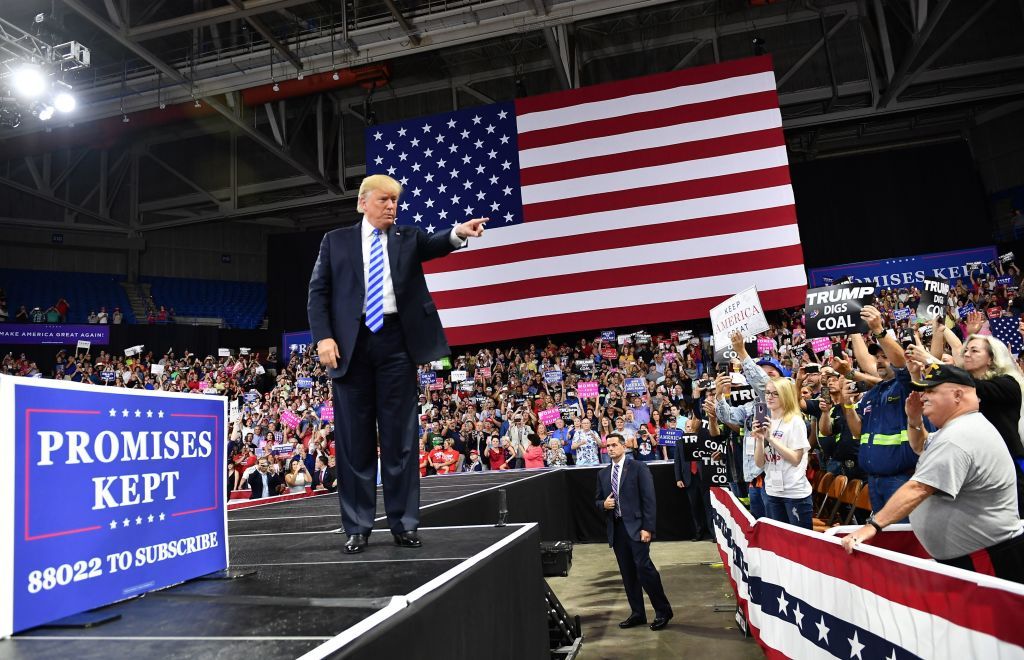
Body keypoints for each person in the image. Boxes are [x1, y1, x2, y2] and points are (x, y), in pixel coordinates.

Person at [307, 174, 487, 554]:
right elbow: (318, 292)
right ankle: (357, 526)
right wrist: (323, 337)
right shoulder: (335, 241)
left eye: (395, 201)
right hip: (349, 348)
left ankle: (404, 523)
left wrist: (458, 232)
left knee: (400, 440)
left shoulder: (408, 237)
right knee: (354, 442)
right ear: (363, 203)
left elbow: (437, 242)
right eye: (384, 200)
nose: (392, 206)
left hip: (396, 345)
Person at [842, 365, 1024, 584]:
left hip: (986, 558)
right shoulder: (957, 428)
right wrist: (914, 420)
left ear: (957, 395)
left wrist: (872, 526)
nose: (923, 396)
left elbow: (919, 488)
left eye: (931, 391)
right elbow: (920, 446)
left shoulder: (960, 436)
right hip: (974, 556)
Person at [595, 433, 673, 631]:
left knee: (644, 569)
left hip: (637, 528)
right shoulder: (603, 474)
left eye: (614, 445)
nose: (610, 448)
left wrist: (648, 528)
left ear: (623, 446)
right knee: (628, 574)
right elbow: (597, 501)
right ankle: (638, 613)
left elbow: (649, 499)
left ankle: (663, 611)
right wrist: (603, 504)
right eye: (608, 446)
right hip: (617, 528)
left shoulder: (638, 467)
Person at [751, 378, 813, 529]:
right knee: (779, 544)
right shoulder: (767, 421)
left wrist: (771, 439)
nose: (769, 397)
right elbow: (759, 464)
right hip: (772, 491)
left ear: (785, 395)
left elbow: (796, 459)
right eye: (767, 393)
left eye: (775, 393)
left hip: (794, 493)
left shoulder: (795, 422)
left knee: (800, 544)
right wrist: (759, 440)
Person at [674, 401, 720, 541]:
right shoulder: (680, 442)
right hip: (689, 478)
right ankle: (698, 533)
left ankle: (714, 534)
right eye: (687, 426)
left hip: (704, 477)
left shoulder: (703, 439)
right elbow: (678, 462)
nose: (689, 428)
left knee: (708, 506)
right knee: (694, 508)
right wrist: (678, 478)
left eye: (691, 425)